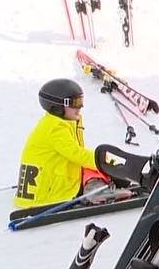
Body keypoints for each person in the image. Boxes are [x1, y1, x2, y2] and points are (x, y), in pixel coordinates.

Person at [14, 79, 109, 209]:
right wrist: (107, 163)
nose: (80, 107)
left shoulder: (58, 122)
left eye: (81, 101)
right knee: (92, 163)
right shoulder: (55, 129)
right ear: (57, 107)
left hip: (45, 185)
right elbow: (76, 154)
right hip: (45, 196)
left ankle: (95, 184)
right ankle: (95, 190)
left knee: (90, 164)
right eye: (75, 103)